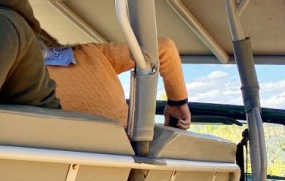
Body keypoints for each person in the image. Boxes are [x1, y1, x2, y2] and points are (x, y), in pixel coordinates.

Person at [39, 30, 192, 129]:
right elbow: (165, 46)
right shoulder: (91, 53)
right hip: (128, 158)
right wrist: (177, 102)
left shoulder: (21, 76)